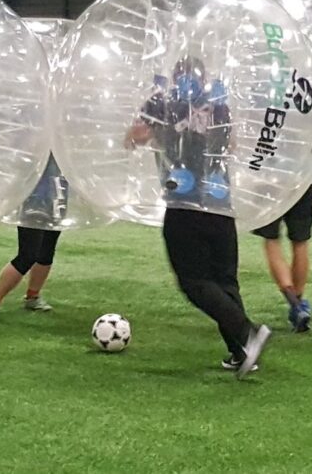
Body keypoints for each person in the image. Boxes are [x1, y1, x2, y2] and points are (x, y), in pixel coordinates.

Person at [127, 55, 270, 379]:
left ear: (176, 76)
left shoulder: (163, 100)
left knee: (193, 282)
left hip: (184, 203)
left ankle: (248, 334)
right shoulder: (218, 103)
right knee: (224, 281)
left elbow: (135, 136)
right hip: (220, 202)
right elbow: (230, 144)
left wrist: (152, 129)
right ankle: (242, 351)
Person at [0, 155, 67, 323]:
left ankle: (33, 296)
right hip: (34, 198)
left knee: (47, 249)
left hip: (57, 196)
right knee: (28, 254)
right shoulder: (37, 135)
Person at [253, 185, 312, 332]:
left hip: (270, 180)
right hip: (303, 178)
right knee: (300, 242)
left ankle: (295, 304)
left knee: (271, 240)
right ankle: (299, 303)